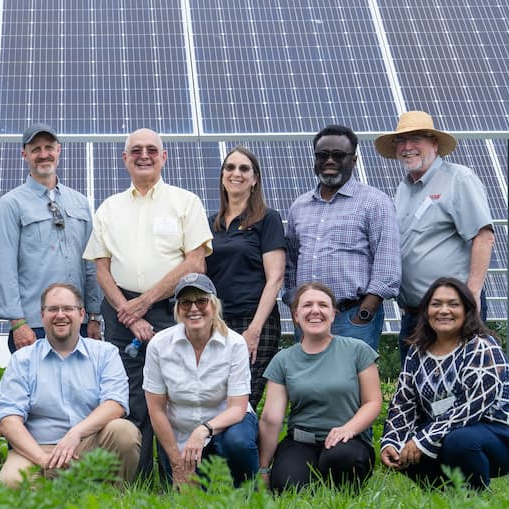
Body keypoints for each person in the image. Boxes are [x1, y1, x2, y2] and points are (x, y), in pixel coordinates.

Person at [82, 128, 213, 476]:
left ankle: (180, 478)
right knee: (132, 400)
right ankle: (136, 482)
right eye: (136, 150)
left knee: (177, 397)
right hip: (122, 313)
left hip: (175, 310)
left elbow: (195, 262)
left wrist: (145, 302)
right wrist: (130, 313)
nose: (144, 155)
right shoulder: (109, 208)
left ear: (164, 157)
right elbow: (101, 268)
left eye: (152, 149)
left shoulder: (186, 202)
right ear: (124, 159)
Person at [381, 278, 509, 489]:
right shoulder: (417, 351)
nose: (444, 310)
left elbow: (471, 408)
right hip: (445, 432)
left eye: (453, 304)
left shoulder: (482, 348)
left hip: (500, 435)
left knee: (458, 441)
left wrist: (422, 440)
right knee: (407, 447)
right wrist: (392, 441)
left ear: (467, 310)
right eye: (436, 304)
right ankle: (443, 502)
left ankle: (475, 499)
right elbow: (404, 402)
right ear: (426, 311)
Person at [373, 111, 496, 360]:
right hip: (414, 315)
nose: (408, 147)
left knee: (458, 386)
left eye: (416, 139)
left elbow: (483, 236)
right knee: (418, 389)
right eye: (401, 141)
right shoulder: (403, 188)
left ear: (435, 143)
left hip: (451, 312)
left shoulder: (458, 179)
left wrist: (471, 297)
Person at [0, 283, 141, 487]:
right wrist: (44, 460)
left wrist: (76, 433)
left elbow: (115, 403)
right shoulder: (23, 360)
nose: (60, 315)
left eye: (68, 309)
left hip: (89, 445)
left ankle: (112, 501)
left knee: (124, 432)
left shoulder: (105, 353)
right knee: (11, 481)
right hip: (37, 449)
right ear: (42, 315)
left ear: (81, 314)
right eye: (53, 309)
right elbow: (8, 419)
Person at [283, 124, 400, 352]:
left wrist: (364, 313)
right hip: (309, 319)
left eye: (338, 155)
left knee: (353, 385)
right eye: (322, 155)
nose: (329, 160)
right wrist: (294, 307)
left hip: (353, 318)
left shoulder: (375, 202)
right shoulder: (299, 206)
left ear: (354, 160)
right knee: (308, 385)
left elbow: (387, 263)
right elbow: (290, 264)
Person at [258, 283, 383, 492]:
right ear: (296, 315)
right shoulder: (283, 360)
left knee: (343, 459)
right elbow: (271, 419)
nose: (315, 311)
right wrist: (263, 468)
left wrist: (348, 429)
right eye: (307, 305)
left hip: (347, 441)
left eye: (323, 305)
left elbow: (372, 402)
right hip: (301, 441)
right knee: (286, 487)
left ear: (333, 314)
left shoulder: (357, 351)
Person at [143, 273, 258, 488]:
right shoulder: (159, 345)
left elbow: (237, 408)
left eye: (201, 301)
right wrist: (177, 463)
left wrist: (203, 429)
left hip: (227, 426)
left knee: (238, 443)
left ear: (213, 305)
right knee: (190, 504)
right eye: (186, 302)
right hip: (181, 435)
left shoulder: (235, 344)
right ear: (177, 309)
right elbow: (156, 410)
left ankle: (248, 492)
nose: (193, 308)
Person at [0, 123, 101, 351]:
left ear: (59, 150)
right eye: (36, 149)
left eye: (49, 147)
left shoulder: (79, 202)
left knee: (80, 386)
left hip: (76, 321)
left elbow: (90, 264)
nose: (44, 155)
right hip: (33, 325)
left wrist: (93, 315)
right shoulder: (11, 204)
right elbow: (5, 266)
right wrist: (17, 321)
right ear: (25, 155)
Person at [205, 146, 286, 409]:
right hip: (216, 323)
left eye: (244, 168)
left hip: (255, 321)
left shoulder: (267, 220)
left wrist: (254, 330)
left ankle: (245, 451)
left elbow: (275, 278)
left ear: (255, 179)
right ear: (221, 177)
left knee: (244, 402)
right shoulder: (209, 224)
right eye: (229, 168)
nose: (235, 173)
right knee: (213, 399)